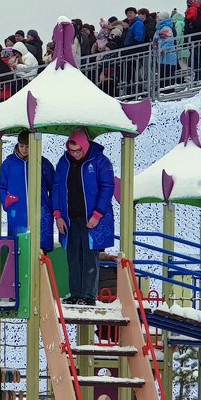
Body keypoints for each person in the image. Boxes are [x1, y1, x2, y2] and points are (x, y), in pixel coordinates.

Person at [53, 129, 115, 306]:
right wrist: (58, 214)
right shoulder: (64, 162)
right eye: (72, 150)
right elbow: (57, 188)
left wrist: (97, 214)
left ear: (85, 146)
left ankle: (89, 295)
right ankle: (75, 293)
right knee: (72, 255)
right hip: (69, 219)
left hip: (92, 219)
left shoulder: (100, 162)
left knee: (89, 256)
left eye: (78, 150)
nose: (75, 154)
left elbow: (107, 187)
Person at [0, 131, 54, 252]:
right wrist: (6, 201)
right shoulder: (9, 164)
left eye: (27, 146)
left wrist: (51, 207)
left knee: (40, 249)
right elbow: (2, 187)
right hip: (17, 212)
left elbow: (53, 187)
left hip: (41, 212)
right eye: (21, 146)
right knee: (18, 248)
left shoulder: (43, 163)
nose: (24, 149)